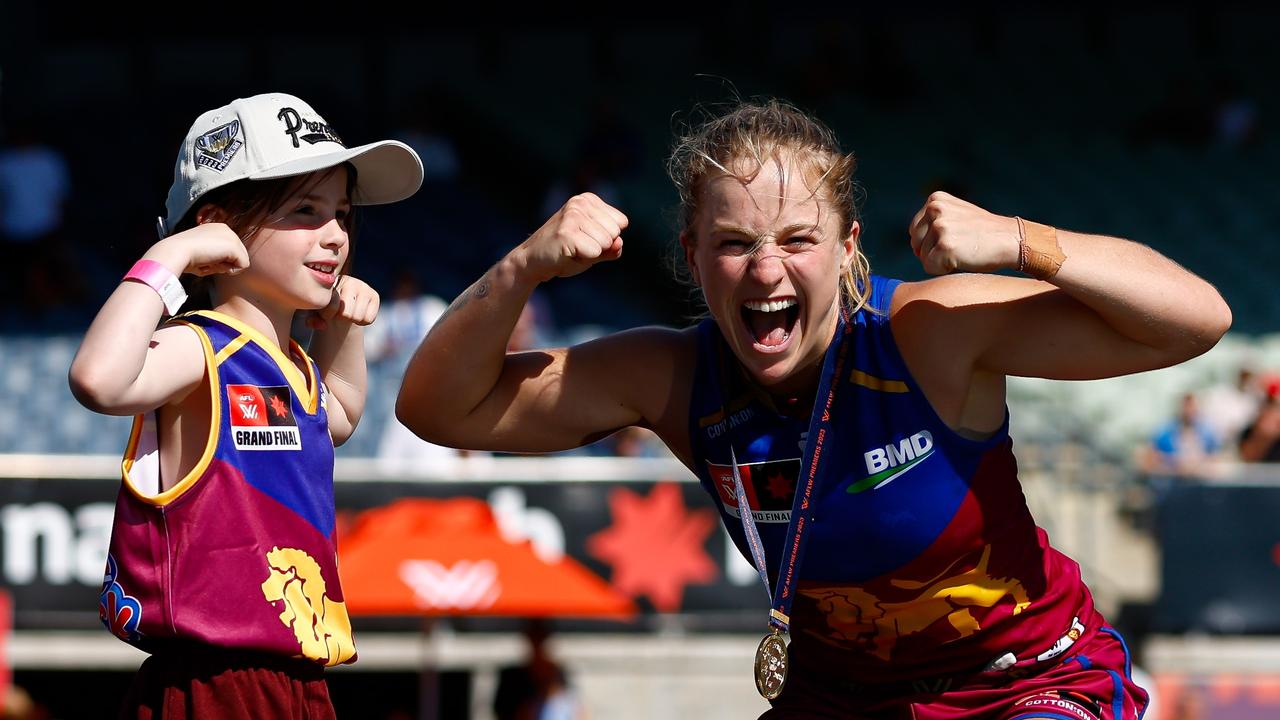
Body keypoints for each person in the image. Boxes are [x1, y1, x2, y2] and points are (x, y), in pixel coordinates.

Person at [396, 100, 1230, 719]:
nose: (766, 272)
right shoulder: (674, 378)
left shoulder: (928, 331)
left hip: (1024, 685)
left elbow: (1197, 320)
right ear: (691, 256)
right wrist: (523, 269)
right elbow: (440, 411)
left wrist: (1020, 243)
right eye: (733, 244)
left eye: (797, 239)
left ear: (848, 248)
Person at [68, 92, 423, 719]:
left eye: (341, 213)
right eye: (306, 210)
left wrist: (342, 329)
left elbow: (337, 417)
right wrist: (173, 255)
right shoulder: (197, 347)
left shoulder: (296, 364)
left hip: (300, 681)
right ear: (218, 223)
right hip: (213, 682)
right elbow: (98, 378)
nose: (336, 235)